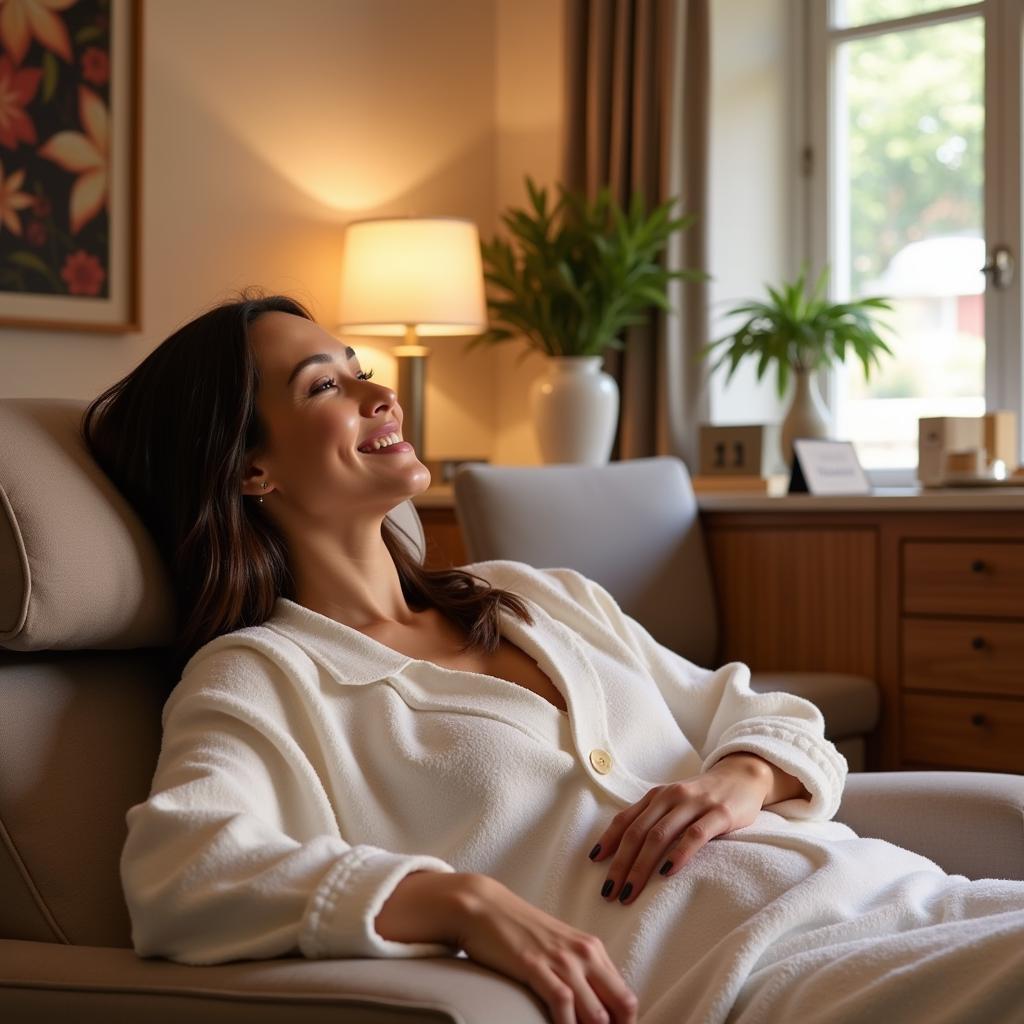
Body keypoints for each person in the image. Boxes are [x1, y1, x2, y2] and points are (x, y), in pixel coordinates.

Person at [83, 290, 1024, 1024]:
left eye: (360, 368)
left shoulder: (534, 595)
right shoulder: (268, 675)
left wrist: (740, 777)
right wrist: (460, 902)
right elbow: (186, 871)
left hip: (911, 898)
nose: (381, 391)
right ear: (251, 470)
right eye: (324, 385)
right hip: (770, 981)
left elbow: (752, 707)